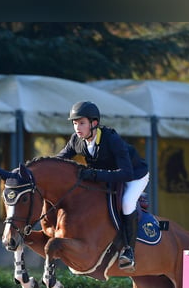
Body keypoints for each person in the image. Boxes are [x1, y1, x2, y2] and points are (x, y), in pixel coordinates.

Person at [55, 101, 149, 271]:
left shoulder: (112, 140)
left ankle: (129, 251)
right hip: (109, 175)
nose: (77, 128)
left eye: (81, 123)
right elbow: (57, 161)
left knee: (127, 202)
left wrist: (95, 175)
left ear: (94, 123)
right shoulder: (76, 140)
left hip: (135, 175)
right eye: (75, 123)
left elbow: (126, 174)